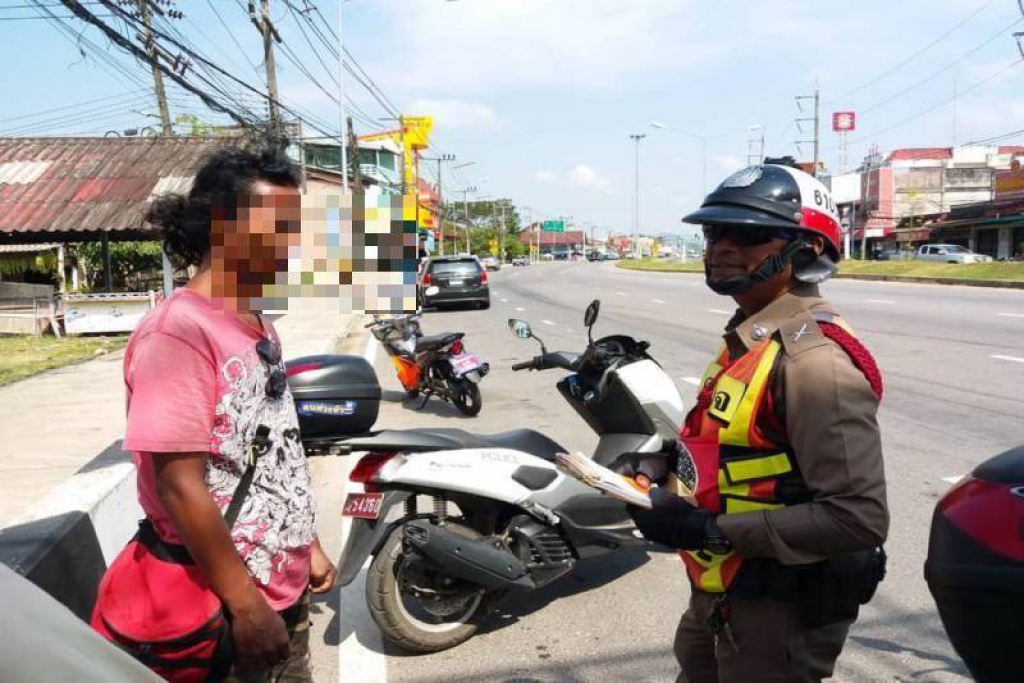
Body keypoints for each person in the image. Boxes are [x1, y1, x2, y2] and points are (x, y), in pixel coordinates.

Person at [613, 159, 888, 683]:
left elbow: (858, 517)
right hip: (725, 591)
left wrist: (705, 527)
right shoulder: (749, 338)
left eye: (750, 234)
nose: (721, 246)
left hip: (778, 608)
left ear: (806, 252)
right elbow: (741, 442)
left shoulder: (814, 363)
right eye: (715, 230)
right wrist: (661, 459)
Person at [95, 145, 337, 682]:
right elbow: (179, 485)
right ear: (222, 227)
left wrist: (308, 542)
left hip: (280, 590)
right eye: (275, 226)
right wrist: (247, 606)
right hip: (223, 608)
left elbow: (272, 450)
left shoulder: (256, 322)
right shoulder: (179, 331)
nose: (290, 243)